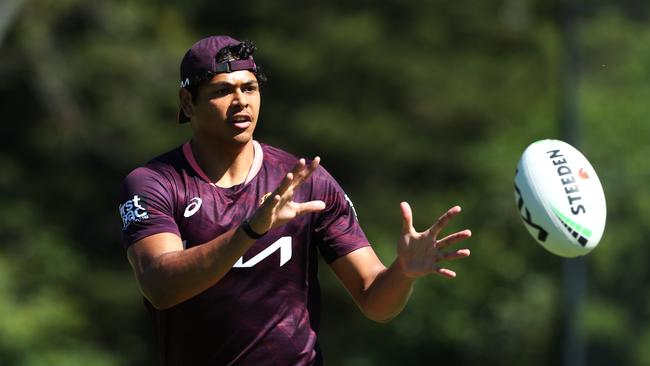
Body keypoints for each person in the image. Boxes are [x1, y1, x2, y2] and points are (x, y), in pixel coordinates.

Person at [118, 35, 472, 366]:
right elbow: (160, 286)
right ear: (187, 103)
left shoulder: (304, 181)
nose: (241, 101)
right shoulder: (155, 183)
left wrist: (403, 272)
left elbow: (375, 299)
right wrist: (251, 229)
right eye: (222, 90)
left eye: (250, 88)